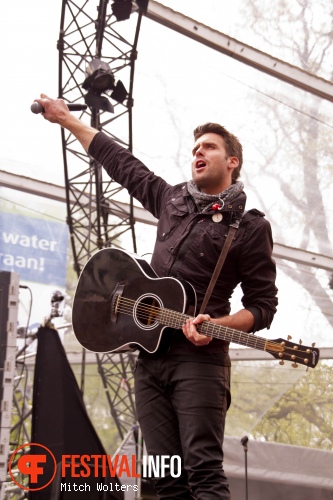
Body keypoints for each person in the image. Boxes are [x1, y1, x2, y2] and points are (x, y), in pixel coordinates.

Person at [36, 94, 278, 499]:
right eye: (195, 148)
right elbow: (121, 163)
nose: (198, 152)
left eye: (209, 147)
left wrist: (219, 325)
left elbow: (263, 306)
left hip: (200, 362)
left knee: (201, 470)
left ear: (231, 161)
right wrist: (66, 120)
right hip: (149, 359)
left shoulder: (249, 228)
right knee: (163, 477)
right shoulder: (172, 201)